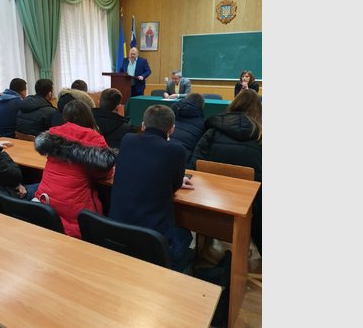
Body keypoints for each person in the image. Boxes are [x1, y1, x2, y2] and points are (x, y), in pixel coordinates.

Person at [108, 105, 194, 271]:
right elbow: (174, 187)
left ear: (143, 125)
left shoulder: (127, 139)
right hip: (152, 241)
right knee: (185, 234)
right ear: (172, 129)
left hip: (116, 232)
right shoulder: (177, 150)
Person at [190, 89, 262, 255]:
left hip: (208, 202)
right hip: (249, 209)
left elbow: (195, 164)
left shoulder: (213, 130)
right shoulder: (260, 136)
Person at [33, 100, 116, 238]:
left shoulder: (54, 133)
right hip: (75, 215)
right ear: (88, 116)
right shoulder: (93, 138)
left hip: (46, 204)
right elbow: (104, 172)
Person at [169, 93, 206, 167]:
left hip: (161, 154)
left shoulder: (170, 114)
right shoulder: (202, 124)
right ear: (202, 106)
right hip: (183, 163)